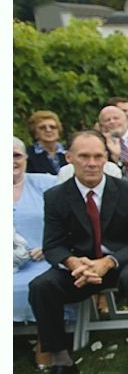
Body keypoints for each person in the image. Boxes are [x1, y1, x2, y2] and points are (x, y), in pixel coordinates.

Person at [28, 131, 128, 374]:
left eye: (98, 156)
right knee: (41, 286)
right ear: (69, 159)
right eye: (84, 156)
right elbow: (53, 245)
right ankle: (62, 361)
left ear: (106, 158)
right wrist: (72, 262)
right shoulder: (56, 197)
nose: (91, 163)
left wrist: (109, 261)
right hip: (82, 266)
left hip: (127, 260)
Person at [13, 137, 59, 326]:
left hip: (43, 261)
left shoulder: (46, 183)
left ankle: (44, 343)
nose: (11, 161)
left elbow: (72, 220)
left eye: (16, 155)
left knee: (41, 285)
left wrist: (50, 246)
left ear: (25, 158)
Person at [25, 110, 68, 175]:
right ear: (35, 132)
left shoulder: (69, 152)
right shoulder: (27, 155)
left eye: (53, 127)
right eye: (42, 128)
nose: (48, 130)